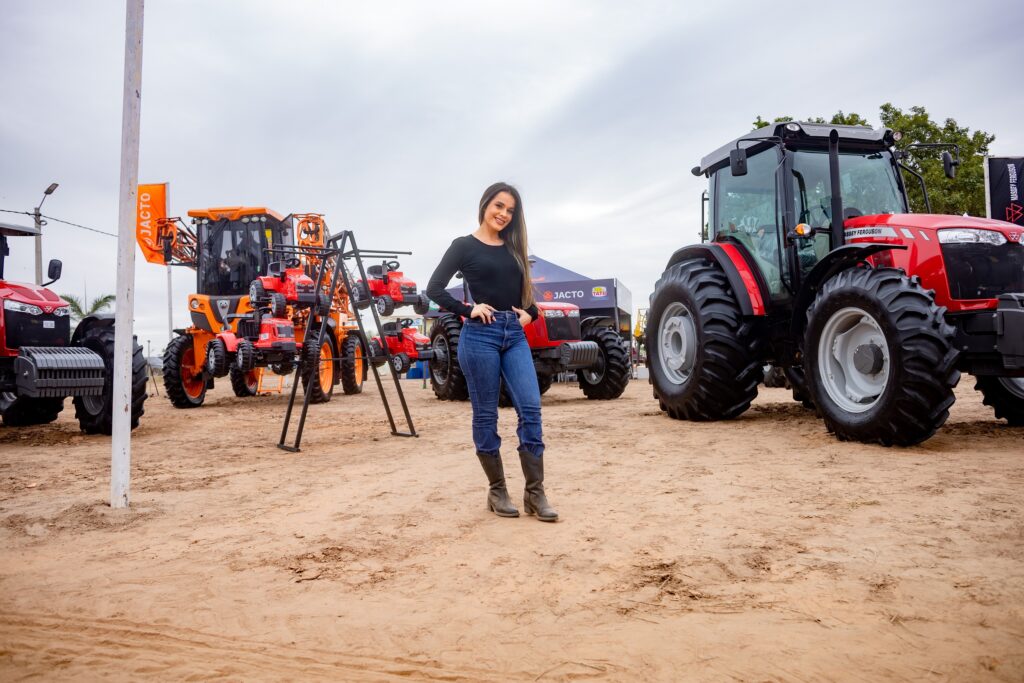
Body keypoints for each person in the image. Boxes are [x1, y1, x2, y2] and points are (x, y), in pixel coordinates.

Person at [425, 182, 557, 522]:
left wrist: (532, 313)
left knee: (531, 408)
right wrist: (466, 309)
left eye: (510, 210)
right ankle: (497, 490)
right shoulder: (464, 246)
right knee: (486, 415)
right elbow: (434, 288)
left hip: (514, 335)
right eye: (499, 205)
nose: (504, 214)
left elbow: (525, 294)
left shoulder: (513, 248)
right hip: (479, 336)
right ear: (485, 205)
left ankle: (535, 493)